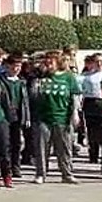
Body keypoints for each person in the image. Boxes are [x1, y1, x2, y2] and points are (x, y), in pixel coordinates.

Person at [29, 51, 81, 185]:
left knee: (64, 148)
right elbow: (33, 94)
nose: (48, 64)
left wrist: (75, 113)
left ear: (58, 62)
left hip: (62, 117)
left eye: (50, 61)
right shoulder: (40, 76)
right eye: (46, 61)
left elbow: (74, 96)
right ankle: (41, 174)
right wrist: (38, 76)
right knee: (41, 147)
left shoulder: (68, 77)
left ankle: (67, 173)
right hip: (43, 117)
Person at [0, 55, 30, 178]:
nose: (16, 69)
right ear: (7, 66)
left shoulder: (21, 82)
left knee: (16, 143)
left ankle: (15, 166)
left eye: (19, 66)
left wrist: (27, 117)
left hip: (17, 116)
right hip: (3, 115)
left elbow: (25, 102)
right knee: (3, 143)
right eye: (14, 66)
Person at [81, 54, 102, 174]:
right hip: (90, 103)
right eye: (96, 61)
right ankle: (93, 152)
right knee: (92, 131)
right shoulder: (86, 76)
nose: (99, 64)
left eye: (101, 61)